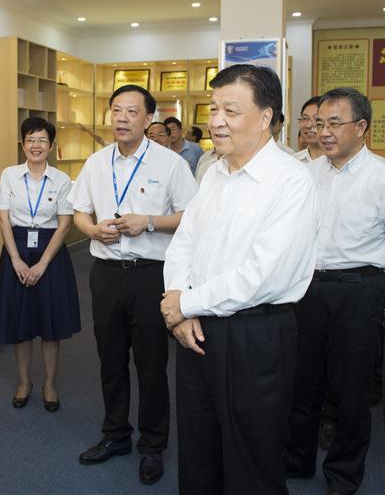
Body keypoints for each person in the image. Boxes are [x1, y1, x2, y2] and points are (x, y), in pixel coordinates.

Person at [160, 64, 317, 495]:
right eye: (213, 109)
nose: (216, 121)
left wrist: (183, 305)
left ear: (266, 117)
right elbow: (183, 243)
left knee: (252, 461)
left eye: (231, 110)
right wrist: (177, 298)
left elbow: (264, 275)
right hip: (194, 330)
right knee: (198, 452)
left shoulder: (291, 182)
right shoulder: (214, 173)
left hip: (255, 335)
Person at [285, 87, 385, 494]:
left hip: (359, 290)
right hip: (308, 289)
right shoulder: (306, 175)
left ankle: (343, 473)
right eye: (318, 123)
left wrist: (383, 304)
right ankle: (297, 460)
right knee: (302, 381)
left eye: (334, 123)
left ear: (361, 127)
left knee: (351, 389)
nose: (323, 132)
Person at [70, 85, 197, 485]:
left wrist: (150, 222)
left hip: (149, 274)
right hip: (106, 273)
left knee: (151, 364)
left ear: (147, 119)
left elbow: (191, 216)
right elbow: (79, 213)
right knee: (110, 360)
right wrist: (93, 229)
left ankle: (153, 445)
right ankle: (115, 435)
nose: (121, 118)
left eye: (130, 112)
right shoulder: (95, 162)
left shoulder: (170, 163)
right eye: (115, 111)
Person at [0, 116, 80, 411]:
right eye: (30, 139)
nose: (36, 145)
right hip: (16, 249)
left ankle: (50, 382)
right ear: (22, 144)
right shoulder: (9, 175)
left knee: (50, 322)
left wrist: (42, 264)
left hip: (50, 253)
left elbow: (65, 224)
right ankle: (23, 380)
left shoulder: (61, 180)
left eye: (42, 140)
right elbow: (3, 218)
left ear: (51, 146)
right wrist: (15, 259)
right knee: (21, 321)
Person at [293, 96, 324, 163]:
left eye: (316, 119)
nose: (308, 125)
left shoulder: (339, 161)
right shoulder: (292, 162)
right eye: (305, 118)